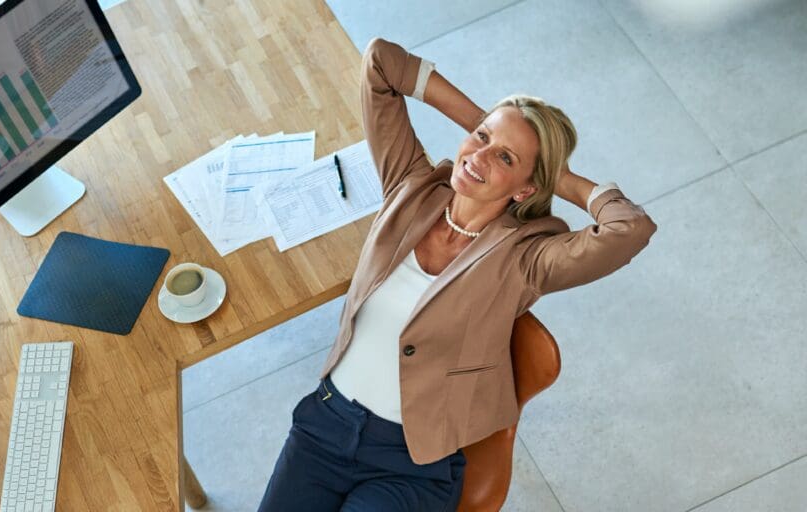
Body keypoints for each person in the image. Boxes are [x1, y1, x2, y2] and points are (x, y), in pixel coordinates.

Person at [257, 37, 657, 512]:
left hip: (410, 462)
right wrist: (486, 129)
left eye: (506, 159)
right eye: (482, 138)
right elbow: (382, 64)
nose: (480, 157)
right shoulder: (410, 185)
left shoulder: (525, 260)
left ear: (527, 186)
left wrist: (561, 180)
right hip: (325, 425)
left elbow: (630, 229)